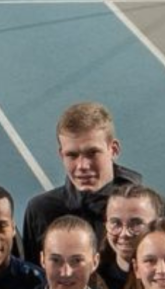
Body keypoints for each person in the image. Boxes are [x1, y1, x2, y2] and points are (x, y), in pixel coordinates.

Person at [18, 101, 142, 260]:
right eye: (72, 155)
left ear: (114, 150)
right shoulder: (42, 211)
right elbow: (34, 277)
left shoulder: (147, 208)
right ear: (61, 155)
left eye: (92, 153)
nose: (82, 166)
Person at [93, 182, 165, 289]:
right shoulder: (91, 282)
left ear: (158, 226)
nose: (124, 234)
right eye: (115, 223)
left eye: (136, 224)